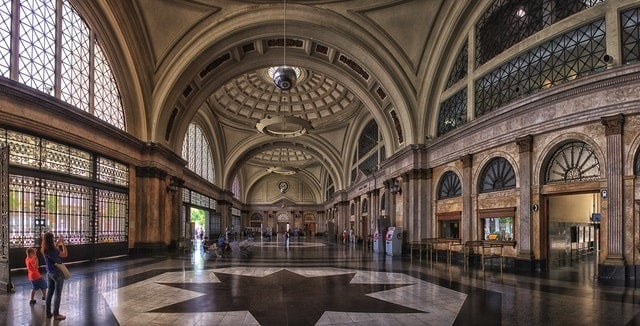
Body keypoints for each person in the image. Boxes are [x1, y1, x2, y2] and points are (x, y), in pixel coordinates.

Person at [41, 232, 68, 320]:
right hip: (57, 274)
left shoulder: (44, 249)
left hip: (49, 273)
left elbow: (52, 248)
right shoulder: (54, 250)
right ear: (51, 239)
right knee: (57, 294)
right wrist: (63, 243)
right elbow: (65, 254)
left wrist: (57, 242)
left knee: (49, 293)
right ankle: (56, 314)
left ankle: (48, 313)